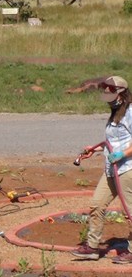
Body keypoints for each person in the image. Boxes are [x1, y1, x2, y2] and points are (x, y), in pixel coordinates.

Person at [71, 76, 132, 264]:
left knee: (129, 212)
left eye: (111, 96)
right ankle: (92, 248)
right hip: (111, 169)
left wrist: (122, 154)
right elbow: (112, 142)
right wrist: (96, 149)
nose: (109, 101)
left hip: (127, 169)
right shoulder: (115, 113)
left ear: (121, 95)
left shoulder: (130, 112)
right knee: (97, 204)